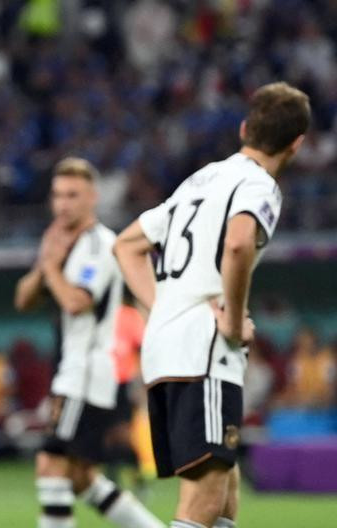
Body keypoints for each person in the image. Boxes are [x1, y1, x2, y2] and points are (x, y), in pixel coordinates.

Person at [113, 82, 311, 528]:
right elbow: (238, 243)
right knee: (203, 497)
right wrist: (237, 319)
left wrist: (164, 306)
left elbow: (127, 245)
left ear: (244, 128)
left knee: (223, 485)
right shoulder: (259, 185)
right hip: (203, 346)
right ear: (297, 144)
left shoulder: (201, 179)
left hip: (166, 346)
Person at [14, 157, 163, 528]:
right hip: (77, 370)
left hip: (86, 370)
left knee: (51, 463)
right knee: (80, 477)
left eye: (72, 195)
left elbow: (77, 302)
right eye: (57, 195)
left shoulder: (99, 244)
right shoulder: (65, 243)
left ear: (93, 197)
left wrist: (51, 264)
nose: (62, 204)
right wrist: (46, 261)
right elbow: (23, 300)